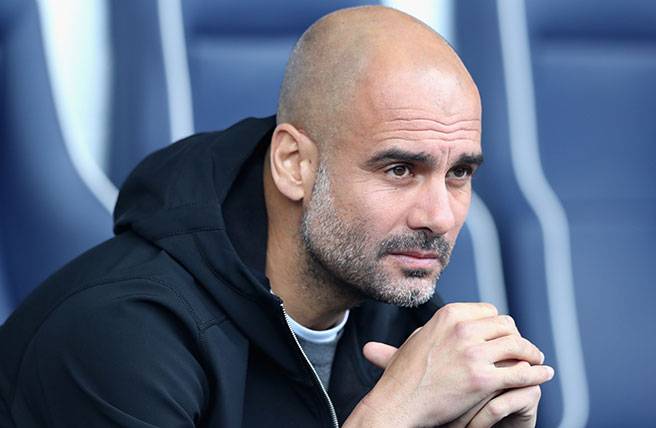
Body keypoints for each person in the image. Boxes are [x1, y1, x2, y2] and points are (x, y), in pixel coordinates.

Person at [0, 6, 553, 427]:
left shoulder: (400, 317)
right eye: (400, 170)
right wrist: (391, 415)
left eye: (459, 173)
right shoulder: (120, 336)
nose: (438, 215)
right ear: (294, 165)